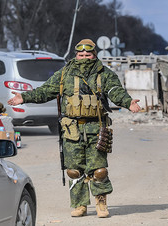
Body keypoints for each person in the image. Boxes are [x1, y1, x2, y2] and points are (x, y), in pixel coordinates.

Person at [8, 39, 140, 218]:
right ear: (76, 55)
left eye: (88, 54)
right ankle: (79, 204)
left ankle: (101, 202)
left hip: (96, 127)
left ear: (94, 55)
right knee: (74, 170)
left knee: (99, 170)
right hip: (71, 128)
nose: (84, 57)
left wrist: (127, 102)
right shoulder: (65, 73)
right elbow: (47, 90)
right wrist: (24, 97)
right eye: (81, 54)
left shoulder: (104, 74)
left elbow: (115, 91)